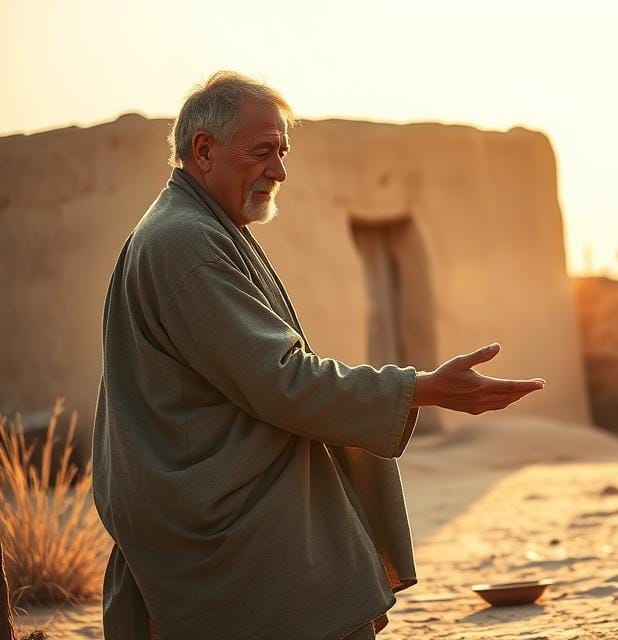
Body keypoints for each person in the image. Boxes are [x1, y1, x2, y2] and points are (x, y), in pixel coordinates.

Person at [92, 71, 545, 640]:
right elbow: (282, 381)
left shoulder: (198, 228)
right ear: (203, 151)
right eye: (261, 152)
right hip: (228, 526)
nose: (279, 171)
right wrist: (425, 388)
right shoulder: (185, 241)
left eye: (282, 152)